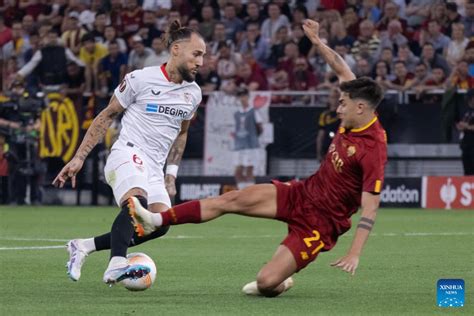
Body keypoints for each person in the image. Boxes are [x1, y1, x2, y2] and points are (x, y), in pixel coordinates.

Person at [128, 19, 388, 298]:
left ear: (361, 108)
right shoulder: (356, 100)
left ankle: (281, 280)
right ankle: (157, 219)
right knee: (230, 200)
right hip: (302, 193)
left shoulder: (372, 149)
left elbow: (370, 208)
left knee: (265, 284)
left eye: (343, 105)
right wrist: (315, 40)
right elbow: (339, 65)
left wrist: (354, 253)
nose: (338, 109)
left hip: (320, 224)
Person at [53, 21, 206, 285]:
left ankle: (83, 246)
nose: (201, 62)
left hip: (155, 169)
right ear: (176, 50)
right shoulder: (141, 79)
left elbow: (182, 132)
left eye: (203, 56)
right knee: (136, 205)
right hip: (127, 153)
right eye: (197, 54)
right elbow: (106, 115)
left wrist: (171, 174)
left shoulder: (193, 94)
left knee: (160, 223)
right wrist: (79, 157)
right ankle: (116, 263)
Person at [233, 86, 263, 189]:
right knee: (238, 171)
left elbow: (260, 127)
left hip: (251, 146)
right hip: (239, 146)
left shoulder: (254, 111)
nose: (242, 98)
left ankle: (251, 194)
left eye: (244, 95)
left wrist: (253, 137)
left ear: (248, 96)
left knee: (249, 170)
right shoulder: (236, 113)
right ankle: (242, 192)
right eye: (240, 96)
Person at [316, 87, 340, 162]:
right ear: (329, 99)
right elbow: (320, 136)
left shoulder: (345, 114)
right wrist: (319, 153)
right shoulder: (324, 115)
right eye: (333, 97)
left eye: (337, 97)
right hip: (327, 149)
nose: (335, 100)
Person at [456, 89, 474, 175]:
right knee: (467, 170)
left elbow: (468, 126)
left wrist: (467, 126)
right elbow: (459, 123)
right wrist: (459, 126)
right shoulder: (466, 111)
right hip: (466, 145)